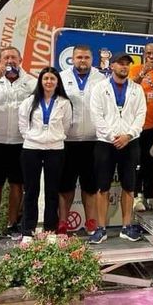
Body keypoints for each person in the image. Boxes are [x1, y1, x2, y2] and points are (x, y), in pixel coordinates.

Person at [0, 46, 37, 243]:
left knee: (17, 186)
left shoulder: (30, 82)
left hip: (20, 141)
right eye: (6, 57)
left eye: (14, 57)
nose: (10, 60)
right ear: (0, 60)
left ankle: (13, 224)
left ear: (20, 60)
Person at [89, 53, 147, 243]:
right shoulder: (100, 88)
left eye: (127, 64)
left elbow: (140, 115)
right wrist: (113, 136)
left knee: (129, 187)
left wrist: (128, 135)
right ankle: (100, 228)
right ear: (112, 66)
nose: (124, 67)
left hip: (130, 142)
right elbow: (96, 116)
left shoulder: (137, 89)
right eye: (120, 64)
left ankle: (126, 227)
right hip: (106, 143)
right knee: (102, 187)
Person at [18, 67, 73, 236]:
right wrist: (34, 137)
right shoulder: (29, 101)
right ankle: (28, 231)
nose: (49, 82)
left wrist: (54, 137)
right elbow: (22, 125)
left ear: (57, 82)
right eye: (45, 78)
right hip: (31, 149)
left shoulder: (64, 103)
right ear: (40, 81)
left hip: (55, 149)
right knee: (31, 191)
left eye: (52, 79)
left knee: (52, 192)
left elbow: (66, 125)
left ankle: (50, 230)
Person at [58, 45, 104, 235]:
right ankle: (62, 224)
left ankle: (91, 222)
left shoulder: (101, 78)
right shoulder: (61, 77)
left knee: (91, 186)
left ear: (91, 59)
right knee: (65, 187)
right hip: (67, 140)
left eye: (86, 57)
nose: (82, 61)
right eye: (79, 57)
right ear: (72, 59)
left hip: (93, 140)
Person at [129, 43, 153, 212]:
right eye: (149, 53)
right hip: (138, 126)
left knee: (152, 162)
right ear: (143, 54)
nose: (152, 55)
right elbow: (129, 89)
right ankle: (137, 195)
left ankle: (150, 193)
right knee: (138, 162)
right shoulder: (135, 69)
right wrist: (143, 72)